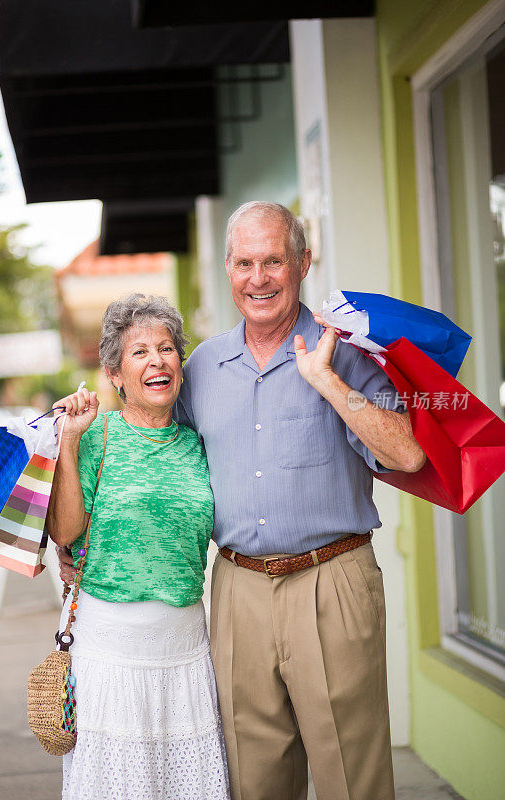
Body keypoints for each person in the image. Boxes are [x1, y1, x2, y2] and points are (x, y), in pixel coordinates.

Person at [59, 202, 425, 800]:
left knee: (351, 777)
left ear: (303, 263)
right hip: (237, 589)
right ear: (228, 269)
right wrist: (81, 535)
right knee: (252, 779)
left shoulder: (347, 351)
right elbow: (152, 456)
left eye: (274, 261)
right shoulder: (199, 367)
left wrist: (327, 382)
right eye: (245, 262)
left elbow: (406, 455)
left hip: (331, 580)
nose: (259, 278)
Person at [47, 295, 229, 800]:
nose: (158, 361)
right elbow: (65, 534)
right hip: (109, 652)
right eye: (141, 352)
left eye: (167, 349)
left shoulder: (198, 445)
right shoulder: (95, 437)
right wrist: (68, 442)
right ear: (115, 373)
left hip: (186, 649)